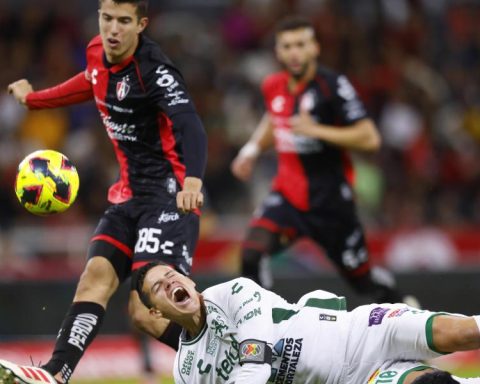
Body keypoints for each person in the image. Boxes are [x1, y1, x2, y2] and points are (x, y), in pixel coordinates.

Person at [1, 0, 207, 383]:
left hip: (169, 196)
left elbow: (190, 124)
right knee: (94, 276)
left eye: (124, 21)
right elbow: (90, 81)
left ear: (141, 24)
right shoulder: (97, 50)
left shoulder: (155, 72)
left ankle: (229, 353)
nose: (113, 29)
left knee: (146, 311)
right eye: (107, 18)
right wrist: (35, 100)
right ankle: (56, 373)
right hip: (127, 195)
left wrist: (192, 180)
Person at [231, 16, 411, 304]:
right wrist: (251, 149)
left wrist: (316, 130)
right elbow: (273, 117)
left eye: (301, 44)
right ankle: (263, 327)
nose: (294, 52)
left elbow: (370, 138)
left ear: (314, 47)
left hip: (330, 204)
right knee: (252, 253)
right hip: (287, 196)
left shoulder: (332, 86)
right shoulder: (273, 85)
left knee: (362, 280)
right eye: (287, 46)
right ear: (277, 52)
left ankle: (404, 305)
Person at [131, 262, 478, 384]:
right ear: (158, 311)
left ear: (190, 281)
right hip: (354, 380)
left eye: (172, 274)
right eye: (159, 287)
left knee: (460, 332)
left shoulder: (233, 292)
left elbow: (256, 360)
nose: (171, 283)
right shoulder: (188, 371)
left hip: (365, 331)